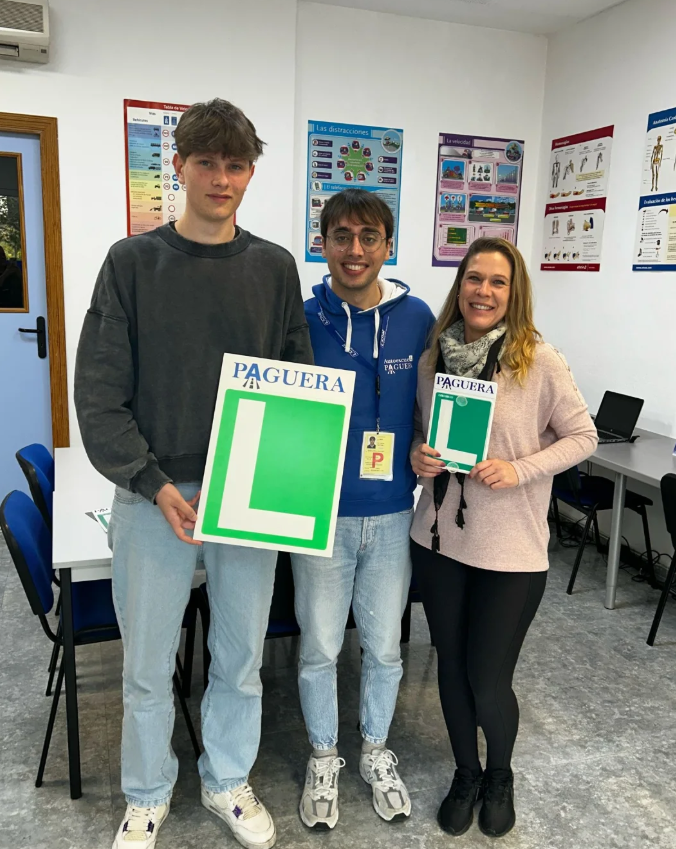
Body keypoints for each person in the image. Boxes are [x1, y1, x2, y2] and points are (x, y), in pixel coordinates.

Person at [75, 98, 313, 849]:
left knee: (240, 659)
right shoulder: (131, 264)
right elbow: (99, 396)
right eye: (206, 162)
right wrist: (152, 482)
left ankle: (226, 780)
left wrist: (286, 480)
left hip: (250, 495)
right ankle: (146, 795)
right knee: (147, 667)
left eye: (235, 164)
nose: (221, 178)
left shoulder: (275, 268)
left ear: (250, 173)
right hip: (155, 496)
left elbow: (300, 386)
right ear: (177, 166)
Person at [409, 237, 597, 839]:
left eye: (497, 282)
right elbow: (418, 430)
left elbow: (583, 436)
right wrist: (417, 454)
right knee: (451, 669)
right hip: (438, 540)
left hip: (510, 550)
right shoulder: (433, 357)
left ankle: (500, 774)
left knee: (487, 680)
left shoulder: (537, 359)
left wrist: (520, 469)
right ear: (459, 284)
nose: (483, 291)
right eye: (474, 278)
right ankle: (466, 772)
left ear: (514, 294)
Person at [291, 189, 435, 830]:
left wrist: (428, 444)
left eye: (368, 237)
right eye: (342, 236)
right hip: (319, 518)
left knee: (384, 649)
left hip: (392, 511)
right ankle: (324, 757)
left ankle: (376, 750)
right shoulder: (300, 319)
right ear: (322, 243)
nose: (355, 250)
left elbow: (430, 400)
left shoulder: (417, 318)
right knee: (320, 649)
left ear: (387, 246)